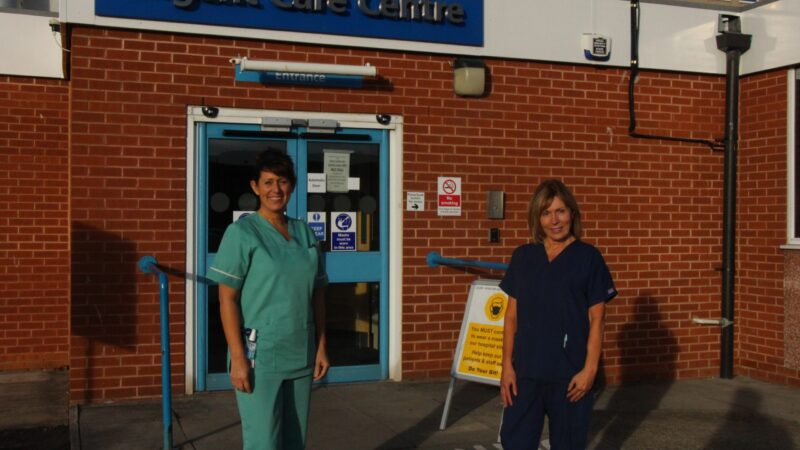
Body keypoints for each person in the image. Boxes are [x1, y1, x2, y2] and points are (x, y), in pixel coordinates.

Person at [207, 149, 329, 450]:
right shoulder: (242, 233)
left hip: (300, 350)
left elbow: (318, 295)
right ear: (255, 187)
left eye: (283, 181)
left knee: (294, 439)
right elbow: (227, 299)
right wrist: (238, 358)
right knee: (263, 441)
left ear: (293, 185)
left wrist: (321, 347)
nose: (276, 189)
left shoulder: (305, 233)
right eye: (268, 182)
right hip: (258, 356)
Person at [499, 179, 617, 450]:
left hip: (570, 378)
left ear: (572, 214)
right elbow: (511, 317)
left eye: (560, 211)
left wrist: (590, 369)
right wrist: (506, 366)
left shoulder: (588, 258)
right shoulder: (524, 257)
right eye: (546, 212)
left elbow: (597, 319)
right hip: (525, 375)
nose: (554, 220)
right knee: (514, 443)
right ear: (537, 218)